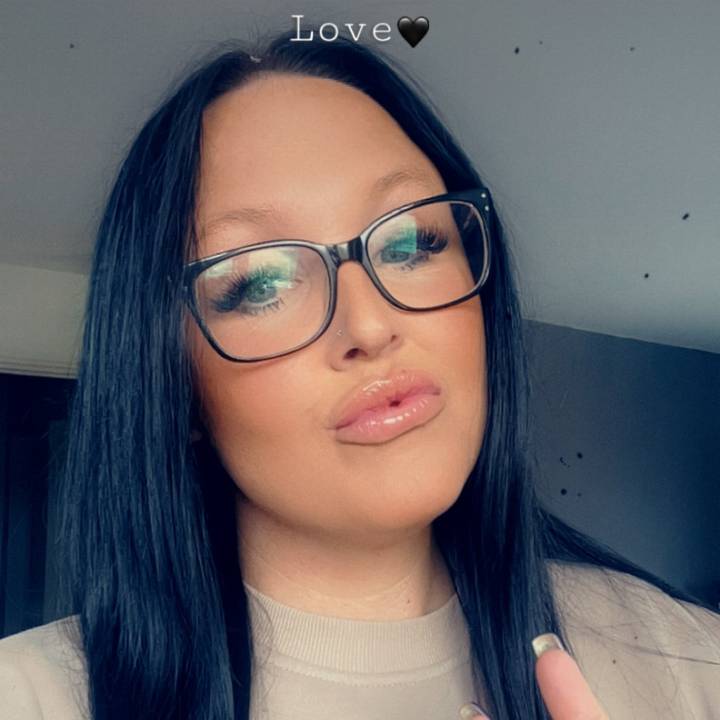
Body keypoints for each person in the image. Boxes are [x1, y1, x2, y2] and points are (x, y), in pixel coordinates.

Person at [1, 28, 718, 720]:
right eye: (260, 284)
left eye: (411, 242)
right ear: (171, 382)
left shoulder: (692, 663)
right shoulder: (28, 698)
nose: (371, 327)